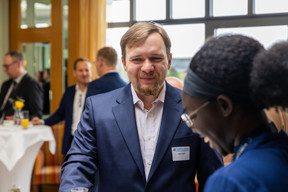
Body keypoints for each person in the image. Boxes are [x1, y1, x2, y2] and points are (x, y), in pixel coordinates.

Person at [59, 22, 223, 192]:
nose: (147, 67)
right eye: (137, 59)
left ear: (169, 60)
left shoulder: (196, 108)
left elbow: (213, 177)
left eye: (156, 58)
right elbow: (79, 162)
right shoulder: (97, 109)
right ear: (124, 63)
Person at [181, 35, 288, 192]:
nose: (194, 128)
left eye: (193, 116)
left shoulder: (231, 182)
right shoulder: (281, 153)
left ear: (224, 106)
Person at [32, 58, 92, 155]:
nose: (84, 73)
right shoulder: (69, 91)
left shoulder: (98, 91)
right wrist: (43, 121)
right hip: (71, 141)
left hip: (90, 142)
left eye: (87, 70)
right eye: (80, 70)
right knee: (68, 170)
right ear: (74, 73)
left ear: (91, 72)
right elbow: (60, 113)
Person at [0, 51, 43, 122]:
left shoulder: (32, 85)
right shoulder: (6, 85)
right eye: (4, 66)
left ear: (18, 64)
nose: (4, 70)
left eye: (7, 66)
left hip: (18, 130)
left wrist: (18, 118)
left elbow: (37, 114)